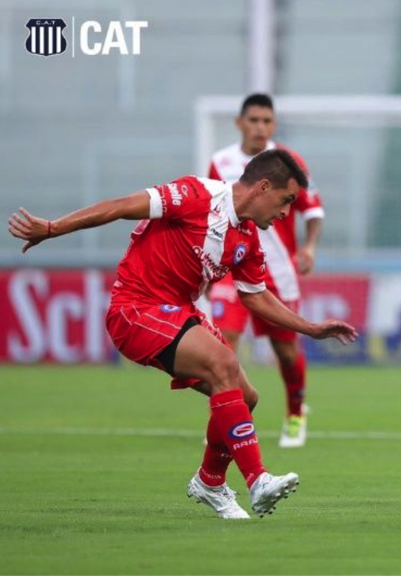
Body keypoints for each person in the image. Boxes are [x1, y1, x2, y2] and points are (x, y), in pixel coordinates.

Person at [7, 150, 357, 520]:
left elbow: (255, 297)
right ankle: (257, 480)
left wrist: (311, 328)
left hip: (177, 312)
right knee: (223, 363)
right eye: (286, 201)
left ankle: (210, 481)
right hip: (134, 308)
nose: (287, 214)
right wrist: (52, 228)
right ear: (264, 187)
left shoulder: (247, 238)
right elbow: (121, 205)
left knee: (246, 395)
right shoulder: (196, 195)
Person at [208, 93, 324, 448]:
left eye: (266, 121)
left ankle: (295, 412)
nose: (260, 127)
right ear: (240, 123)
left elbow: (313, 210)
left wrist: (308, 247)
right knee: (222, 347)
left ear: (273, 125)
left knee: (285, 351)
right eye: (254, 120)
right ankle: (229, 420)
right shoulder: (221, 161)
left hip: (276, 270)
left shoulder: (289, 162)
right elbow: (213, 210)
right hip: (230, 264)